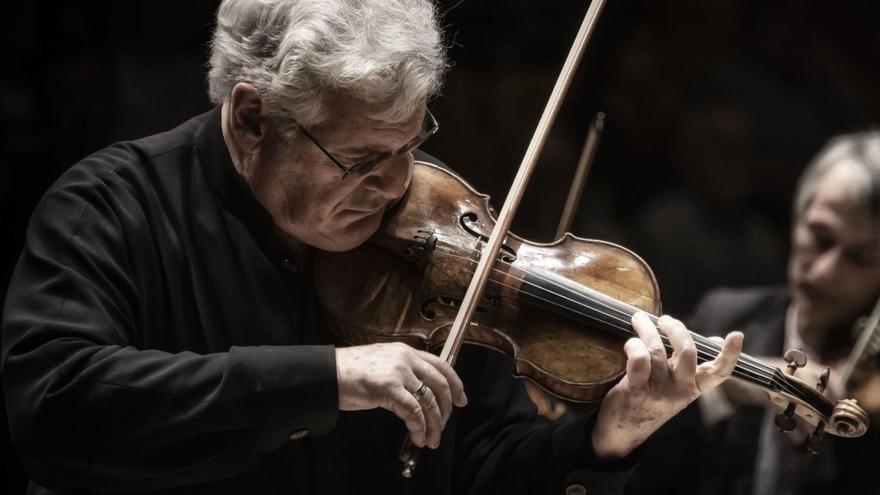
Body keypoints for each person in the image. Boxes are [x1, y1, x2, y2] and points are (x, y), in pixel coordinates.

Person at [1, 1, 743, 494]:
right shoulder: (109, 206)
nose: (394, 186)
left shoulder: (435, 243)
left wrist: (608, 438)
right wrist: (326, 377)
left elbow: (477, 467)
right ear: (253, 117)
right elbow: (58, 402)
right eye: (360, 158)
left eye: (411, 145)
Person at [629, 131, 880, 495]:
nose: (826, 271)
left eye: (859, 259)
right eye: (820, 237)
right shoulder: (724, 318)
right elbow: (641, 472)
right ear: (797, 219)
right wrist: (733, 385)